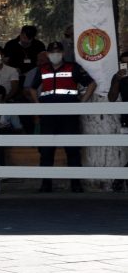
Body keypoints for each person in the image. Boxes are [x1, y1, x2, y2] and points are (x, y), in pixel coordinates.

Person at [28, 41, 96, 193]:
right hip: (48, 115)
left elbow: (91, 84)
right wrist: (38, 105)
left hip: (69, 115)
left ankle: (76, 184)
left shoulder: (73, 67)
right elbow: (32, 88)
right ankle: (46, 184)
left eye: (58, 51)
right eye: (52, 51)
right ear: (47, 54)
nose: (55, 54)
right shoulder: (42, 69)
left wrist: (82, 102)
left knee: (72, 150)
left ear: (63, 53)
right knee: (46, 151)